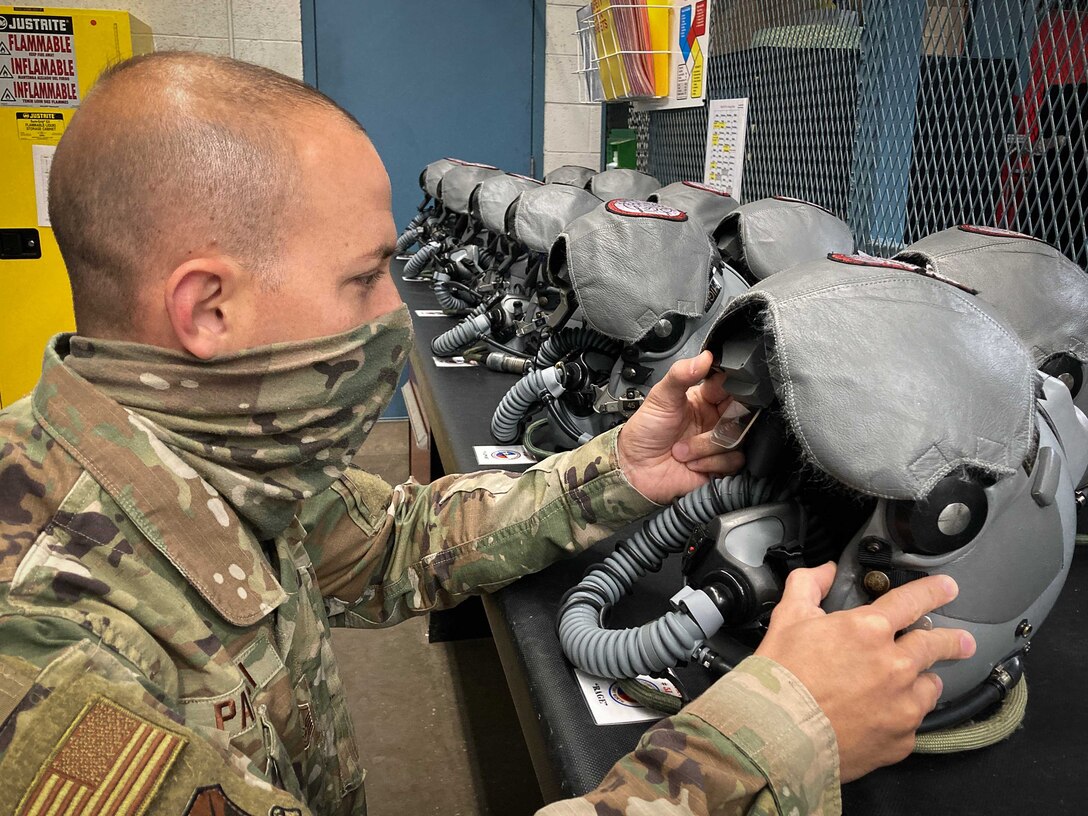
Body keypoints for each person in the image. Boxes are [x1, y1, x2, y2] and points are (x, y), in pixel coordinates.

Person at [0, 53, 973, 816]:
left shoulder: (202, 458)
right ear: (207, 309)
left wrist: (625, 471)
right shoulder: (48, 659)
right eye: (361, 278)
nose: (396, 308)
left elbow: (391, 544)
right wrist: (772, 741)